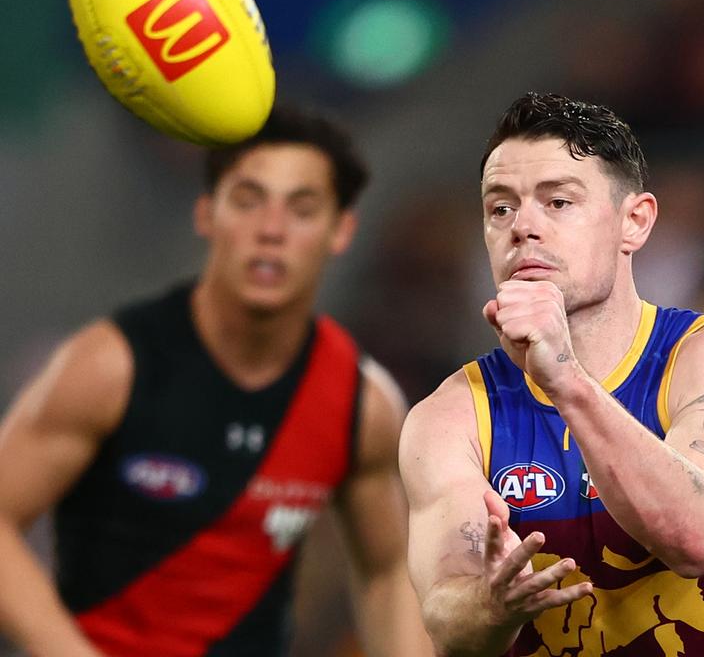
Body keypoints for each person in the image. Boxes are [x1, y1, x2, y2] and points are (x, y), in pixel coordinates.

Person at [0, 106, 431, 656]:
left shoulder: (360, 402)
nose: (271, 231)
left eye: (302, 209)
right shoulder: (113, 366)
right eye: (248, 201)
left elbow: (388, 570)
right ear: (207, 214)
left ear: (340, 230)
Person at [400, 92, 704, 656]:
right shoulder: (450, 416)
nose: (523, 228)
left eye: (558, 202)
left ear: (635, 222)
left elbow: (699, 539)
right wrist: (491, 605)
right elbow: (446, 619)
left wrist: (565, 380)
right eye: (500, 208)